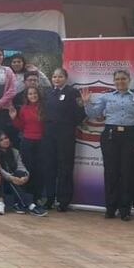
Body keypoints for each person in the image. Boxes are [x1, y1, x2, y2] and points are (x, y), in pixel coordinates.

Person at [82, 70, 134, 221]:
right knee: (111, 172)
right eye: (117, 79)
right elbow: (93, 114)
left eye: (123, 79)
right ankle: (110, 208)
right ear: (114, 81)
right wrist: (86, 102)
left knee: (127, 173)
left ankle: (125, 209)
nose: (120, 81)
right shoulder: (107, 96)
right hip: (111, 135)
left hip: (131, 136)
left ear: (129, 79)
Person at [42, 68, 85, 211]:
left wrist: (68, 124)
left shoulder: (73, 93)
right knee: (49, 167)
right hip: (49, 135)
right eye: (54, 76)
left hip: (65, 135)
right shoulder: (48, 93)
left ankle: (63, 201)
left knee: (65, 168)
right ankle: (49, 199)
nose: (57, 79)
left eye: (60, 76)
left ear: (66, 78)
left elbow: (80, 113)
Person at [0, 130, 48, 216]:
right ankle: (31, 206)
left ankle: (19, 204)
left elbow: (21, 166)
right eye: (1, 140)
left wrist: (26, 176)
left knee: (20, 173)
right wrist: (12, 178)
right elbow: (1, 171)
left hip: (16, 179)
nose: (5, 140)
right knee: (10, 180)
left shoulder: (15, 151)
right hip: (2, 182)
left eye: (6, 138)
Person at [9, 86, 44, 209]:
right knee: (27, 170)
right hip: (27, 141)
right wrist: (14, 118)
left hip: (41, 142)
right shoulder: (23, 109)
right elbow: (21, 126)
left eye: (35, 93)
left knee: (39, 171)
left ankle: (37, 198)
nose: (33, 96)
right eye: (30, 94)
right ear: (27, 96)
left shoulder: (44, 108)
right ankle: (24, 199)